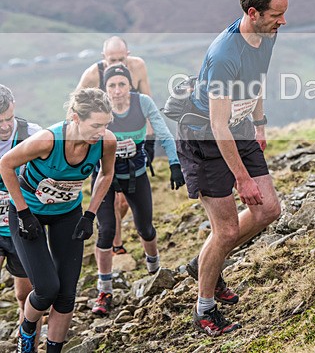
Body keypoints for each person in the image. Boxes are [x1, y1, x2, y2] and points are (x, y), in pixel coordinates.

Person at [176, 0, 286, 336]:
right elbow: (217, 126)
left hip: (239, 128)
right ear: (253, 12)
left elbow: (258, 81)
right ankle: (204, 308)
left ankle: (205, 260)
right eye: (275, 14)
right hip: (205, 137)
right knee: (225, 230)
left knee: (269, 208)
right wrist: (241, 179)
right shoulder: (225, 55)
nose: (282, 21)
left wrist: (260, 123)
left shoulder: (266, 34)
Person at [0, 88, 116, 353]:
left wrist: (90, 214)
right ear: (76, 118)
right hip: (29, 215)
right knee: (46, 290)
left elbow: (106, 174)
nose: (101, 132)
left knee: (66, 296)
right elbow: (6, 164)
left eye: (106, 124)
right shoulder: (47, 140)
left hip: (68, 214)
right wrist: (24, 212)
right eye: (95, 125)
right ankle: (27, 330)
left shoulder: (106, 141)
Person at [90, 64, 185, 316]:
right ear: (105, 88)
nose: (117, 90)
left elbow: (165, 134)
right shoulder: (99, 107)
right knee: (106, 230)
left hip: (136, 175)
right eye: (112, 85)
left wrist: (175, 164)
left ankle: (154, 269)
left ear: (130, 85)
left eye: (122, 84)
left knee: (145, 228)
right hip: (104, 178)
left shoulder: (142, 103)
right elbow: (83, 139)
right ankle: (104, 290)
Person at [78, 35, 153, 255]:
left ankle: (113, 238)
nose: (117, 64)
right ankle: (115, 244)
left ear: (128, 55)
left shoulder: (138, 67)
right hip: (104, 137)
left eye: (121, 58)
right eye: (112, 60)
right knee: (110, 194)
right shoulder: (94, 74)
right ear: (103, 58)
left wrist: (148, 139)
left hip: (133, 136)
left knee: (123, 200)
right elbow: (75, 104)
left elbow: (147, 99)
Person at [0, 85, 40, 338]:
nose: (4, 126)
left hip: (22, 225)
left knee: (25, 294)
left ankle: (28, 343)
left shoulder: (32, 134)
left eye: (8, 119)